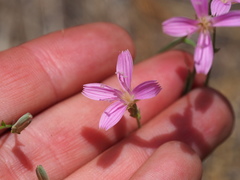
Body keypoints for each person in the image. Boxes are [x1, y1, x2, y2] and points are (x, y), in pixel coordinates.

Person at [0, 23, 233, 179]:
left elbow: (148, 89)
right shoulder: (120, 103)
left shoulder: (138, 94)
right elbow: (105, 110)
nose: (126, 96)